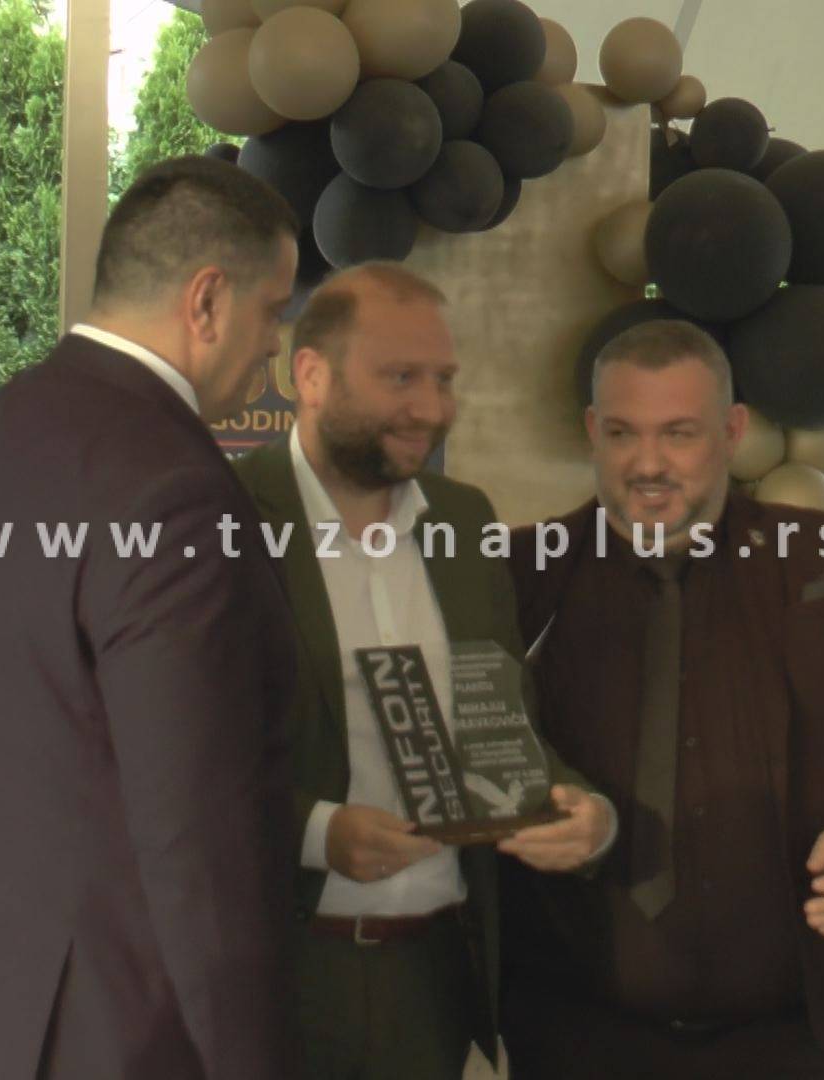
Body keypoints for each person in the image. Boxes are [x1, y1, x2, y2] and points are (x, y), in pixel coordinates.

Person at [0, 156, 303, 1080]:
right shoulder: (176, 486)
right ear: (207, 301)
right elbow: (195, 830)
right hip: (102, 1026)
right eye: (272, 312)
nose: (275, 345)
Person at [501, 321, 824, 1078]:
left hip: (783, 1038)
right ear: (592, 432)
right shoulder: (525, 571)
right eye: (623, 433)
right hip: (572, 1038)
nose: (648, 463)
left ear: (732, 432)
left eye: (679, 433)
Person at [233, 263, 615, 1080]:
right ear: (310, 375)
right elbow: (169, 761)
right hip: (279, 973)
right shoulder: (220, 515)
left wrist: (582, 810)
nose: (432, 408)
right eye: (400, 377)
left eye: (443, 379)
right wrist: (317, 834)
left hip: (436, 980)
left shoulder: (466, 521)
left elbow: (502, 723)